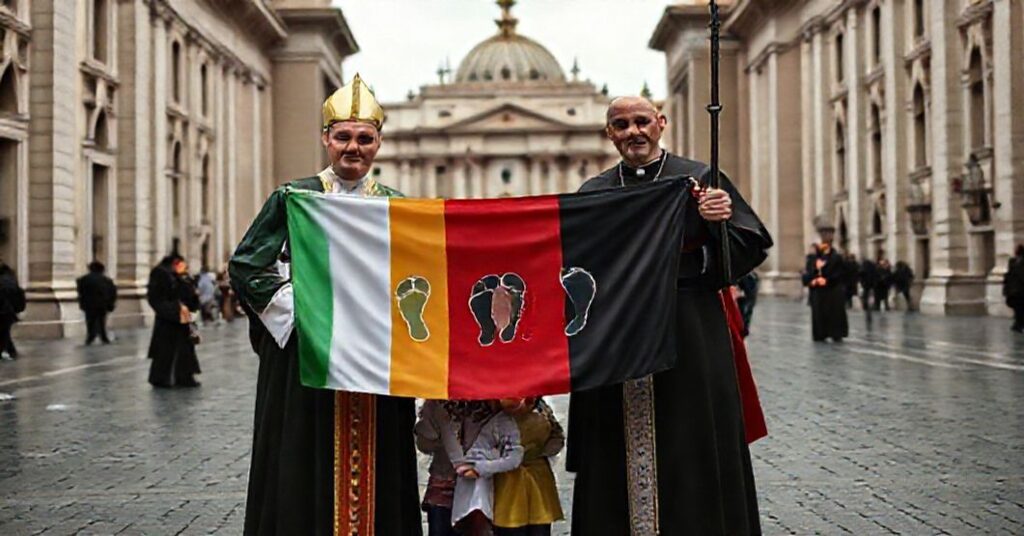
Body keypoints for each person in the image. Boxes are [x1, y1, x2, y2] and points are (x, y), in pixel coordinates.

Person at [566, 96, 772, 535]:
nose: (633, 131)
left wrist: (721, 221)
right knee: (613, 444)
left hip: (689, 327)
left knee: (692, 438)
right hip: (616, 336)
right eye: (621, 125)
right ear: (609, 134)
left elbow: (749, 243)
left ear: (660, 123)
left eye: (642, 121)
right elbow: (574, 262)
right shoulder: (594, 192)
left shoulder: (699, 179)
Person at [229, 74, 421, 535]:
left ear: (378, 144)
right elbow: (247, 265)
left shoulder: (397, 207)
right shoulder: (294, 198)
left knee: (380, 461)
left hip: (375, 355)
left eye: (364, 138)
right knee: (302, 452)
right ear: (326, 139)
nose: (353, 148)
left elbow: (416, 276)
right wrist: (306, 311)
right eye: (343, 137)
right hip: (306, 354)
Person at [493, 397, 564, 536]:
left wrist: (536, 452)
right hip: (507, 482)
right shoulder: (495, 407)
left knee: (539, 526)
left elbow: (556, 438)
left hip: (537, 478)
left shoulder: (541, 407)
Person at [450, 401, 524, 536]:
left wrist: (480, 468)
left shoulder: (504, 420)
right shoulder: (460, 408)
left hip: (484, 486)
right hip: (458, 481)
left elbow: (514, 458)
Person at [146, 255, 201, 387]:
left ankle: (185, 377)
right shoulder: (160, 273)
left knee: (186, 349)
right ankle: (161, 378)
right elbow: (156, 298)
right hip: (169, 319)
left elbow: (188, 294)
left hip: (182, 317)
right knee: (165, 350)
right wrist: (172, 311)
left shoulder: (181, 276)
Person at [416, 400, 463, 536]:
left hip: (476, 485)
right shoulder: (436, 404)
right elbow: (424, 444)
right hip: (443, 482)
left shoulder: (485, 403)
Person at [802, 218, 849, 343]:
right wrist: (813, 280)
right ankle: (821, 334)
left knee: (834, 313)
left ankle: (836, 333)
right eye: (823, 233)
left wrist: (826, 280)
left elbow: (841, 273)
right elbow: (808, 271)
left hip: (833, 290)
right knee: (819, 314)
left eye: (828, 233)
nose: (826, 236)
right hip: (818, 291)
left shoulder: (836, 256)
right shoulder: (813, 255)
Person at [76, 261, 118, 345]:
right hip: (103, 305)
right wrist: (111, 304)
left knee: (90, 320)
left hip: (89, 304)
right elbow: (113, 293)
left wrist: (81, 303)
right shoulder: (107, 280)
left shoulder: (83, 280)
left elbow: (81, 292)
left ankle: (90, 336)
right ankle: (103, 336)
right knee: (102, 320)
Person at [0, 262, 25, 360]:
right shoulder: (13, 281)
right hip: (10, 312)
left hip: (3, 311)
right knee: (5, 332)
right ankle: (11, 351)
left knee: (3, 332)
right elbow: (19, 296)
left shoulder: (1, 281)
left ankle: (9, 351)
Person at [1003, 245, 1024, 333]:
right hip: (1015, 290)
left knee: (1019, 307)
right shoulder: (1012, 261)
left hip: (1018, 289)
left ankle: (1018, 324)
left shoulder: (1016, 262)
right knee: (1018, 307)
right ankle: (1018, 323)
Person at [735, 271, 759, 337]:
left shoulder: (751, 276)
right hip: (745, 299)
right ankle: (743, 330)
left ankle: (743, 330)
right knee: (745, 314)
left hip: (747, 299)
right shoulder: (751, 276)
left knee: (745, 314)